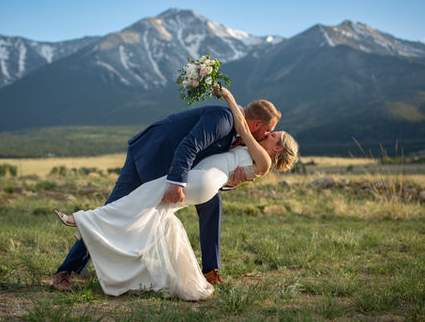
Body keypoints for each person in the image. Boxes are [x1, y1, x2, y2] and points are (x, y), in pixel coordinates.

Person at [54, 87, 299, 300]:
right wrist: (177, 183)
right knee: (116, 208)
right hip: (152, 155)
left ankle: (210, 270)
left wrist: (229, 182)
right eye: (268, 131)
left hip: (181, 169)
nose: (266, 136)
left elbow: (218, 164)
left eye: (270, 134)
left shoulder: (242, 136)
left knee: (213, 204)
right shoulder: (223, 120)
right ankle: (66, 271)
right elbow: (190, 146)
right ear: (256, 125)